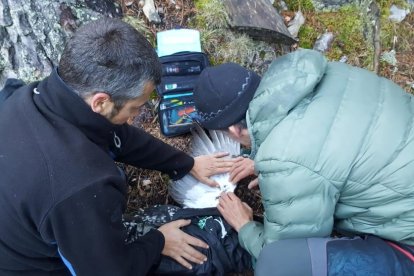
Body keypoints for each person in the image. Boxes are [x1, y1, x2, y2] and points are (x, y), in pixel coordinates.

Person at [0, 17, 234, 275]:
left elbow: (116, 134)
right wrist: (159, 241)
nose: (135, 117)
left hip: (22, 226)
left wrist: (185, 164)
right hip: (37, 267)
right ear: (100, 102)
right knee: (204, 250)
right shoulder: (80, 184)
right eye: (135, 108)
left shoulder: (23, 98)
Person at [193, 49, 414, 275]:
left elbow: (282, 252)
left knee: (276, 266)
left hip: (408, 239)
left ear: (233, 130)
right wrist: (261, 159)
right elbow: (331, 141)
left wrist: (244, 226)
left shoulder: (286, 159)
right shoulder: (318, 75)